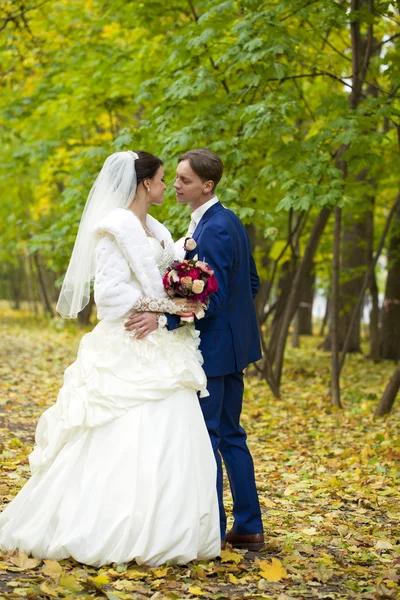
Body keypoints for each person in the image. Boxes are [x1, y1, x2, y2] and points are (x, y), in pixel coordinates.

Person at [0, 150, 220, 567]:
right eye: (159, 179)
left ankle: (168, 528)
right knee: (119, 435)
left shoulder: (154, 229)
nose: (164, 186)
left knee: (170, 436)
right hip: (127, 346)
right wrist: (167, 307)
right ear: (143, 184)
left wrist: (177, 299)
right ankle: (106, 526)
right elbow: (109, 295)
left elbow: (163, 281)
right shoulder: (114, 230)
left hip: (161, 347)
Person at [171, 149, 264, 550]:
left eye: (184, 180)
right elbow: (252, 283)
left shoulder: (215, 228)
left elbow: (215, 295)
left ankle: (217, 527)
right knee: (229, 435)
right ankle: (248, 527)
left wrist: (167, 319)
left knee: (211, 436)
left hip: (215, 350)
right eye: (175, 178)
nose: (176, 185)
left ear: (207, 185)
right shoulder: (224, 221)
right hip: (231, 345)